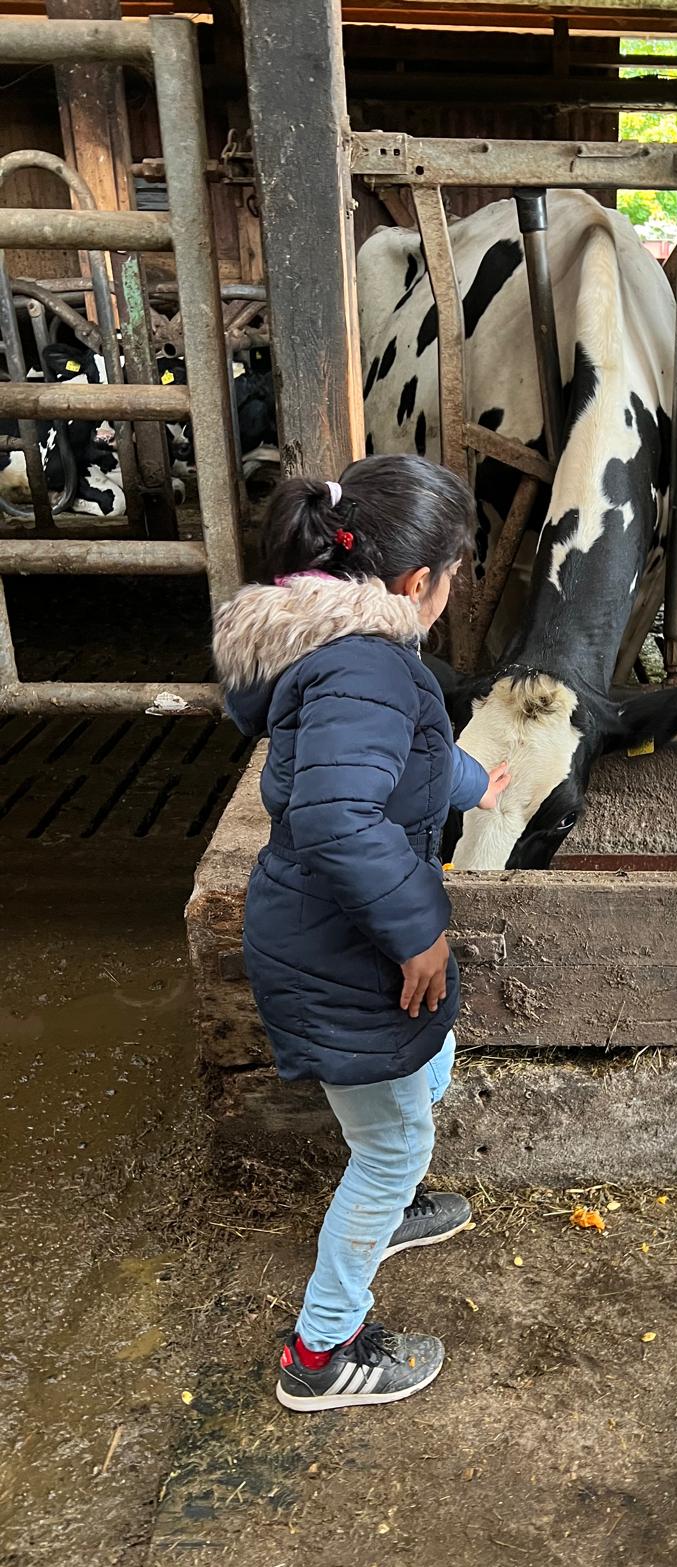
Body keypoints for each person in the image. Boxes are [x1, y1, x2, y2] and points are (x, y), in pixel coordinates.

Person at [213, 455, 509, 1413]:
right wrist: (421, 932)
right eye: (454, 575)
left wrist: (474, 785)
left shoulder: (350, 657)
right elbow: (340, 813)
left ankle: (389, 1202)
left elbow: (409, 754)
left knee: (423, 1069)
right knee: (390, 1145)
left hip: (330, 929)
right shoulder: (368, 667)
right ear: (418, 583)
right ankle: (322, 1352)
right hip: (342, 943)